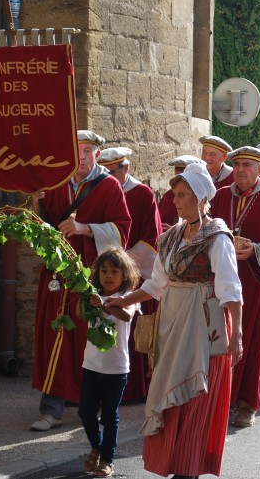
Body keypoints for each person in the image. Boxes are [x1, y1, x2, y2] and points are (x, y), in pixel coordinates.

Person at [107, 162, 243, 479]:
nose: (176, 200)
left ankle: (188, 469)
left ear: (201, 197)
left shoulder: (217, 237)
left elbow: (230, 290)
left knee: (195, 400)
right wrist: (122, 300)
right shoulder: (169, 238)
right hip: (173, 323)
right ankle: (173, 463)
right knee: (171, 399)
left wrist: (236, 335)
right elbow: (156, 285)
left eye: (183, 194)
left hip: (205, 326)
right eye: (175, 194)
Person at [29, 130, 132, 431]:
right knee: (54, 337)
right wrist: (37, 206)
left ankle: (96, 405)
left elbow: (122, 230)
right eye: (77, 151)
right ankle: (51, 410)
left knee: (91, 339)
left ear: (97, 155)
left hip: (91, 276)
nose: (83, 157)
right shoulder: (57, 184)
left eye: (88, 151)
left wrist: (86, 228)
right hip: (57, 275)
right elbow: (43, 231)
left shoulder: (109, 186)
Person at [209, 146, 260, 427]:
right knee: (219, 339)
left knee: (254, 343)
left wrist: (255, 250)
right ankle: (221, 400)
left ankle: (247, 404)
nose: (240, 169)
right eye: (238, 164)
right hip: (221, 281)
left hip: (257, 283)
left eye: (247, 165)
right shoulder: (220, 197)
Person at [99, 146, 162, 402]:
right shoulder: (98, 192)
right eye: (104, 172)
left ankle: (133, 389)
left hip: (132, 273)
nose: (107, 177)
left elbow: (152, 238)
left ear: (126, 168)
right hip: (103, 272)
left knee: (130, 326)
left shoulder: (142, 194)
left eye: (112, 172)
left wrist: (123, 265)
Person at [78, 248, 140, 478]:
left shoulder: (127, 298)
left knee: (109, 415)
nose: (108, 276)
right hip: (91, 365)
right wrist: (86, 299)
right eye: (104, 271)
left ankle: (107, 460)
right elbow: (79, 314)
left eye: (114, 271)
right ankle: (97, 445)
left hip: (116, 368)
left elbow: (126, 316)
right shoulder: (93, 294)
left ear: (124, 275)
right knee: (85, 411)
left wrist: (102, 305)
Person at [158, 155, 206, 231]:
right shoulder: (168, 196)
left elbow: (205, 226)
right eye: (177, 168)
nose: (179, 172)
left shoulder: (202, 197)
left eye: (184, 169)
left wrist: (176, 231)